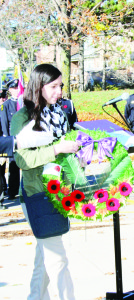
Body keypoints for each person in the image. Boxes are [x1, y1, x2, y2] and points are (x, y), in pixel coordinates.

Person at [11, 64, 79, 300]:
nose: (59, 91)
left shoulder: (59, 114)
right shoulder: (22, 117)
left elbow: (66, 156)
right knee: (57, 259)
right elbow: (22, 159)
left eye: (60, 85)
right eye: (53, 86)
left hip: (60, 192)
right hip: (37, 194)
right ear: (38, 86)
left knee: (45, 258)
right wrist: (56, 148)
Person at [1, 79, 20, 199]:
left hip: (25, 139)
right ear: (10, 90)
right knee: (14, 166)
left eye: (18, 88)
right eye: (15, 88)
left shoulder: (25, 103)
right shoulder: (5, 106)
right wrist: (8, 142)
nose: (17, 90)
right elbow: (4, 125)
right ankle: (13, 191)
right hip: (13, 140)